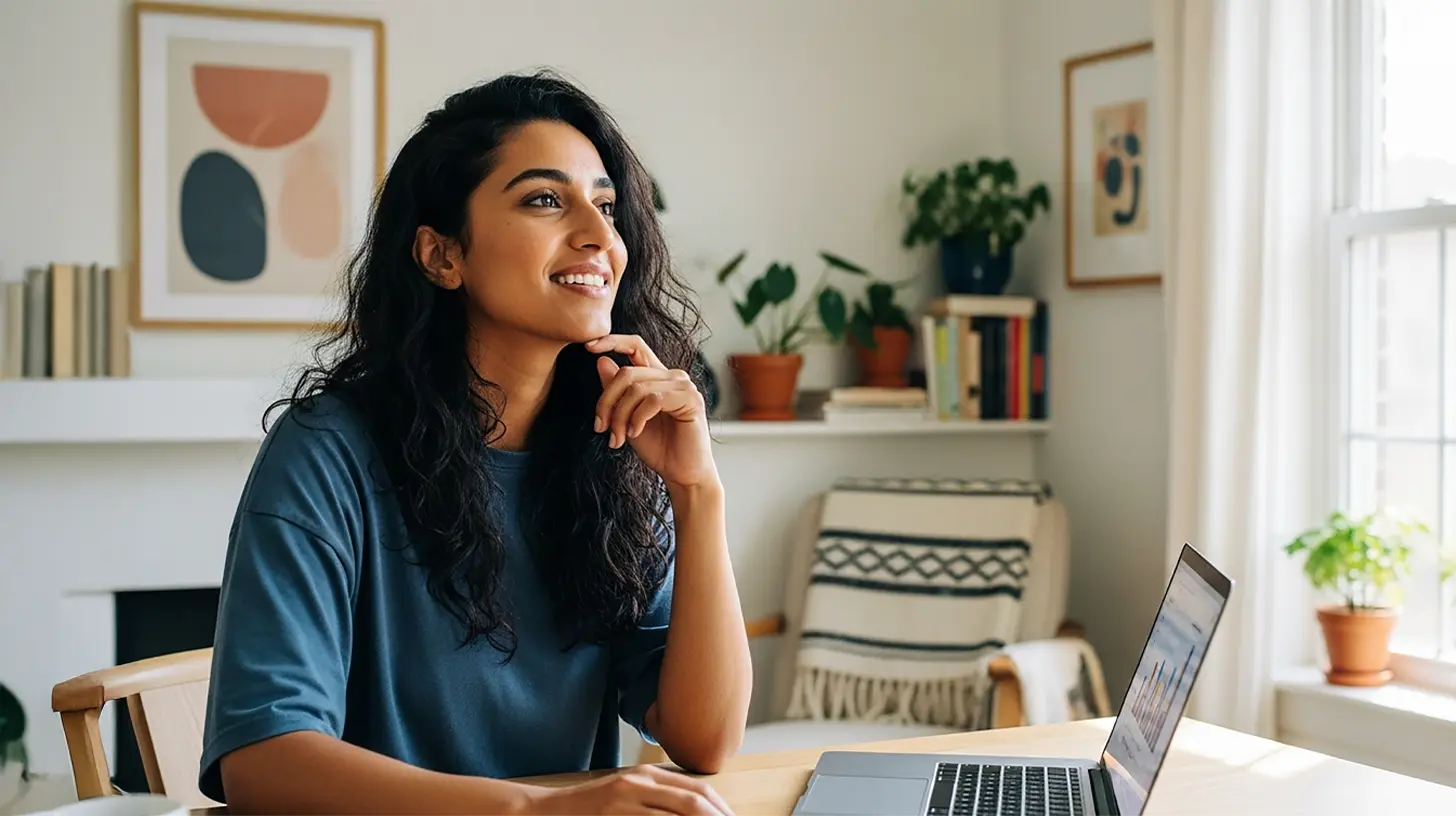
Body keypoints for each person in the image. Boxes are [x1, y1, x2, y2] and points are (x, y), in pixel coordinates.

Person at [198, 71, 752, 815]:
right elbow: (261, 765)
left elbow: (704, 740)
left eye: (607, 204)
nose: (598, 234)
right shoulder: (327, 454)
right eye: (545, 199)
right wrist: (533, 811)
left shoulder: (614, 452)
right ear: (441, 256)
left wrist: (698, 491)